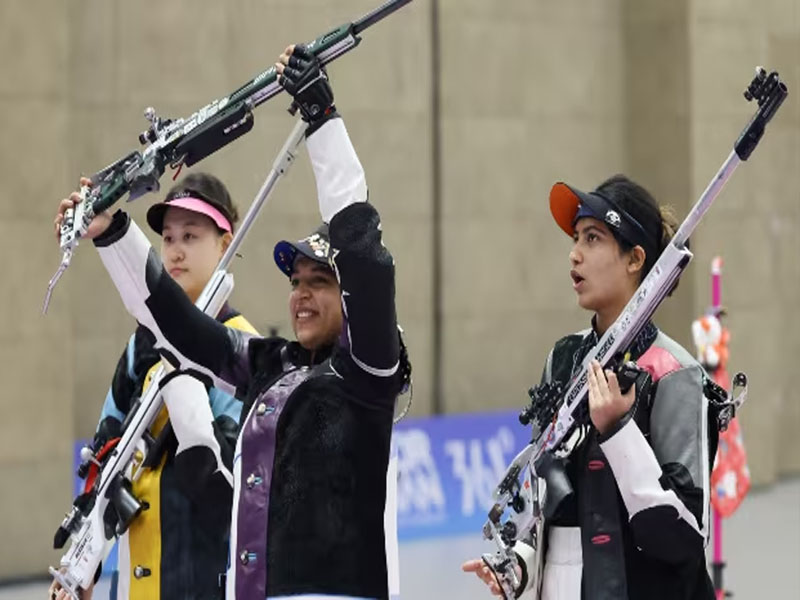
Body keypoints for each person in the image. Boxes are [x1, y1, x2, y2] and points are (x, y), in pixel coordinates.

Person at [54, 44, 409, 600]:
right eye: (296, 283)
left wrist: (322, 120)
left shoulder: (369, 370)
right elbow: (178, 326)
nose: (302, 295)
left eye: (320, 280)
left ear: (350, 299)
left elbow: (363, 251)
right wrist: (112, 233)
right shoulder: (273, 364)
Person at [463, 175, 717, 599]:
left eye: (593, 238)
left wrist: (619, 432)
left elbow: (685, 536)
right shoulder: (562, 359)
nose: (574, 254)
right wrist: (518, 566)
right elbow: (551, 510)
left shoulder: (675, 373)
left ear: (635, 259)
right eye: (576, 237)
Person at [49, 174, 258, 600]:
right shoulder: (139, 348)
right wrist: (83, 566)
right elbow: (103, 456)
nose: (175, 251)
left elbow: (230, 481)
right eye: (166, 238)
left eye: (191, 236)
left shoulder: (243, 351)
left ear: (225, 243)